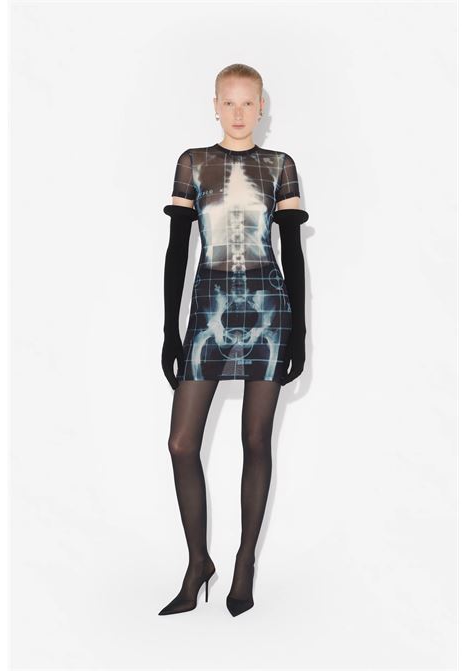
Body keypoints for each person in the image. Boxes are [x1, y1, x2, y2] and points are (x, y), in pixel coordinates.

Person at [159, 63, 308, 617]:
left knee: (255, 440)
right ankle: (198, 562)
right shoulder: (193, 163)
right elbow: (178, 249)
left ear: (261, 106)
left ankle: (245, 563)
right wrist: (169, 329)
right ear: (215, 105)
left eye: (249, 103)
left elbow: (292, 252)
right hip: (208, 312)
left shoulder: (280, 166)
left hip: (269, 314)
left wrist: (300, 331)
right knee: (181, 443)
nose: (239, 112)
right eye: (230, 102)